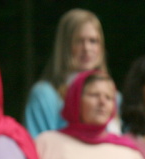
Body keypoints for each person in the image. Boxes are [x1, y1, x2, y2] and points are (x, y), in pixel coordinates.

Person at [24, 8, 119, 137]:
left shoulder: (115, 97)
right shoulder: (45, 95)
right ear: (64, 45)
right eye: (79, 41)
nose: (87, 48)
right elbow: (36, 144)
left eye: (93, 41)